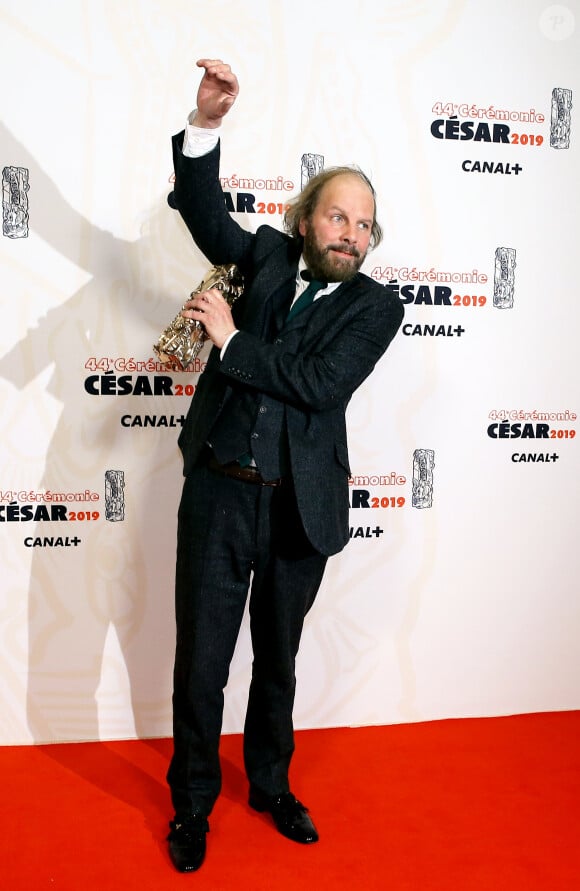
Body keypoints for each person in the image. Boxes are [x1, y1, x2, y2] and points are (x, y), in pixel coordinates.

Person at [165, 58, 404, 873]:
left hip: (300, 509)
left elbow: (318, 384)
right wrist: (205, 126)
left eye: (363, 225)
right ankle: (192, 802)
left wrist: (231, 341)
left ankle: (270, 784)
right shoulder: (263, 257)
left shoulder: (379, 306)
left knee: (278, 660)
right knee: (199, 660)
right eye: (336, 216)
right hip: (220, 495)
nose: (349, 233)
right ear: (306, 221)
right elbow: (202, 214)